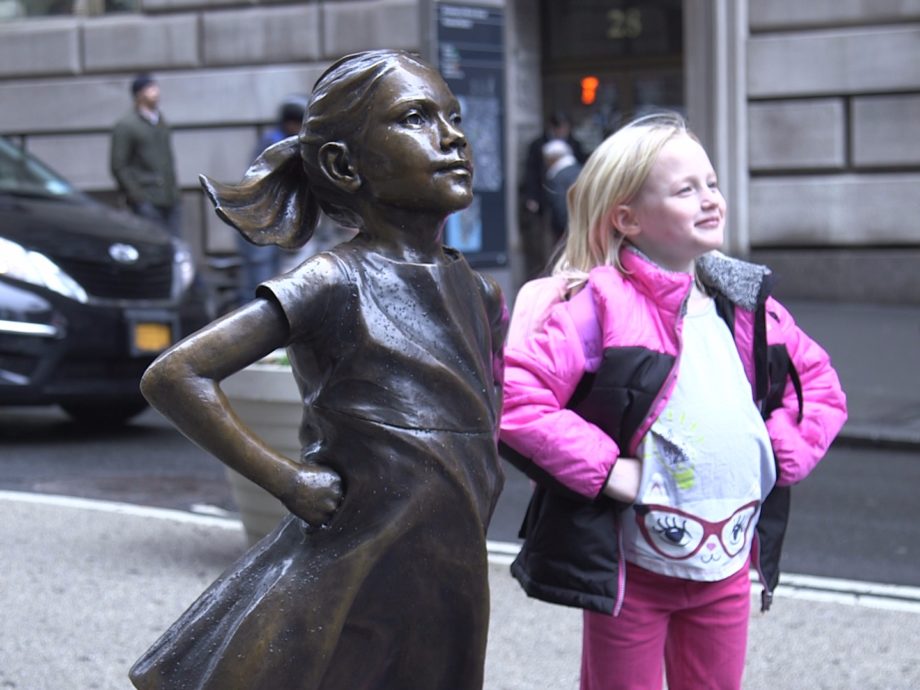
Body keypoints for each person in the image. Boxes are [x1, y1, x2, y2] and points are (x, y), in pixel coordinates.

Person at [128, 50, 507, 690]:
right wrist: (288, 480)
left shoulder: (480, 294)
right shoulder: (333, 281)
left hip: (449, 566)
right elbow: (175, 375)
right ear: (343, 165)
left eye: (454, 117)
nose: (452, 138)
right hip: (357, 561)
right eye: (416, 118)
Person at [499, 112, 847, 690]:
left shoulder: (746, 305)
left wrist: (780, 450)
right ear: (627, 219)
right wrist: (607, 470)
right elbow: (516, 401)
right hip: (634, 571)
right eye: (686, 190)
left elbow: (819, 385)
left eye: (711, 183)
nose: (710, 199)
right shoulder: (598, 306)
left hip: (728, 566)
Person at [236, 95, 309, 304]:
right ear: (291, 123)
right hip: (258, 223)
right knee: (258, 286)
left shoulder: (283, 142)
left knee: (271, 280)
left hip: (272, 223)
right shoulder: (275, 145)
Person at [110, 73, 182, 237]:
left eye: (155, 87)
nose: (156, 92)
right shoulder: (126, 125)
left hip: (169, 198)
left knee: (175, 244)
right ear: (139, 94)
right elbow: (118, 165)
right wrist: (137, 196)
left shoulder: (160, 121)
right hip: (147, 200)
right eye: (150, 88)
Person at [521, 112, 587, 278]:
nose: (562, 130)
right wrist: (532, 197)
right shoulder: (538, 146)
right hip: (545, 203)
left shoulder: (574, 146)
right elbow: (532, 174)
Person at [541, 138, 582, 242]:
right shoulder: (581, 170)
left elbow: (560, 207)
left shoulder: (558, 177)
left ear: (552, 158)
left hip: (567, 232)